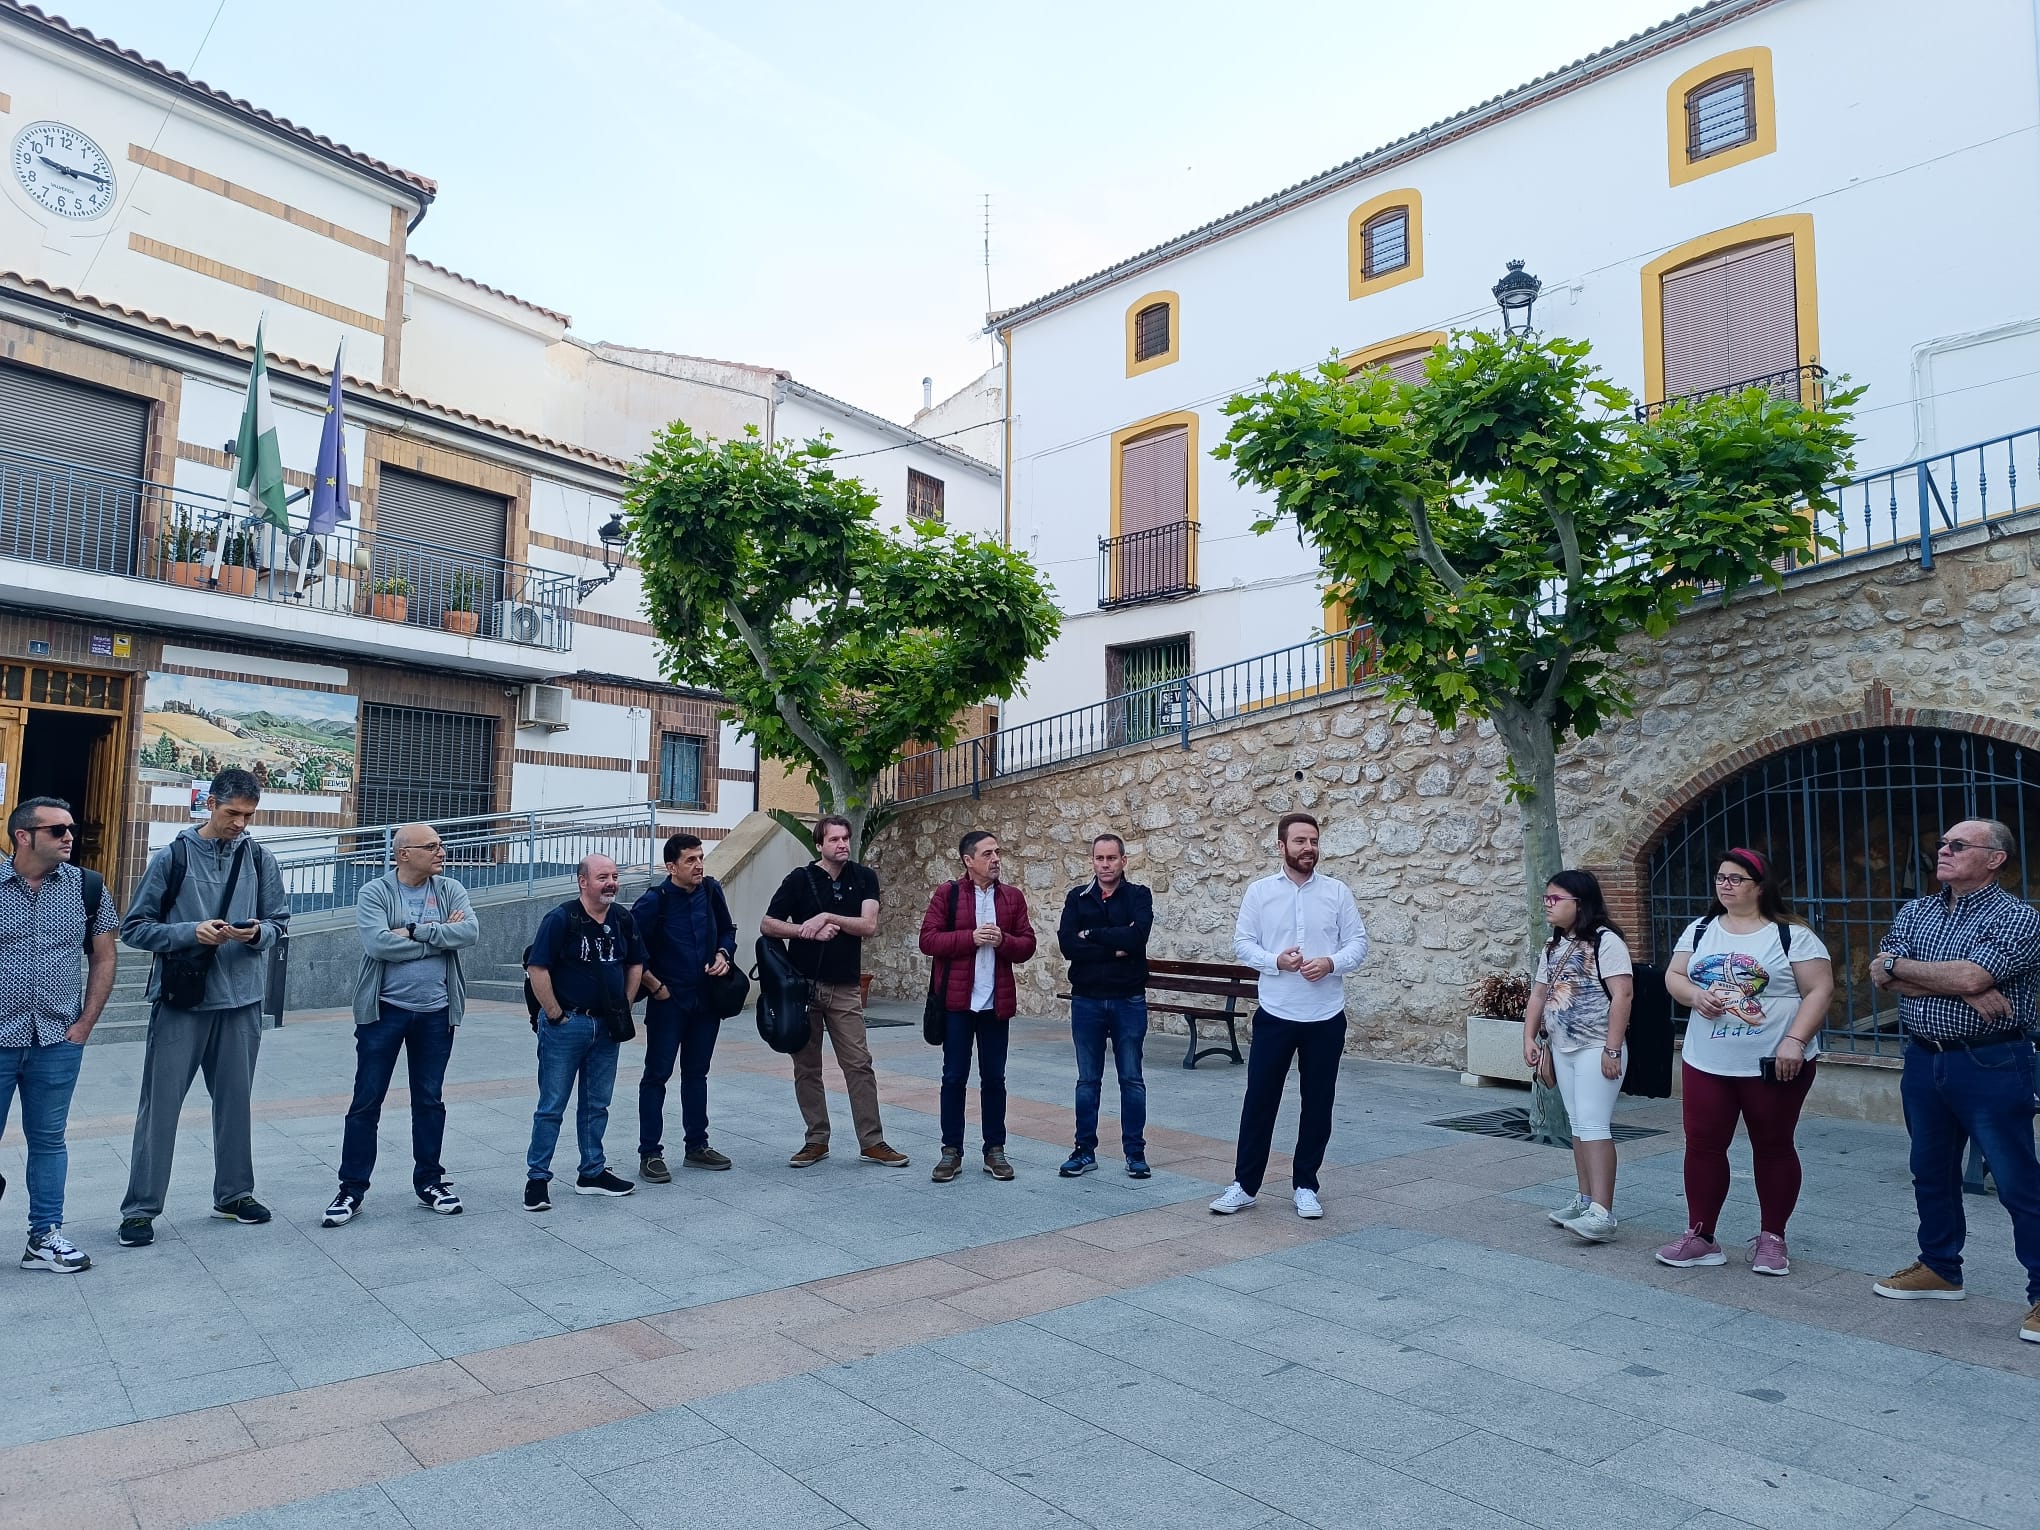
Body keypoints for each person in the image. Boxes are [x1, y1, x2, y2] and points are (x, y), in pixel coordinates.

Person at [1867, 818, 2040, 1343]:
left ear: (1994, 859)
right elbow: (1881, 973)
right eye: (1940, 842)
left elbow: (1973, 975)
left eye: (1958, 845)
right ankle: (1939, 1266)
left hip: (1991, 1061)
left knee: (2016, 1181)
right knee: (1930, 1170)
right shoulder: (1917, 910)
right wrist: (1956, 984)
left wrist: (1918, 971)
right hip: (1924, 1061)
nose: (1942, 850)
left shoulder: (2019, 917)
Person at [117, 768, 288, 1247]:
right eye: (233, 813)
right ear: (210, 804)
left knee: (236, 1104)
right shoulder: (172, 857)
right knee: (161, 1108)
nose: (240, 823)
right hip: (183, 1001)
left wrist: (257, 934)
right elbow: (134, 928)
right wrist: (188, 932)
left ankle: (234, 1195)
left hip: (242, 1001)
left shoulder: (259, 858)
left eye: (249, 815)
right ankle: (140, 1210)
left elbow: (279, 923)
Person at [1656, 848, 1833, 1275]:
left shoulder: (1791, 934)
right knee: (1702, 1146)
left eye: (1736, 878)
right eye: (1720, 878)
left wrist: (1795, 1040)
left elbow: (1820, 990)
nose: (1725, 885)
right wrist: (1694, 995)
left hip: (1774, 1063)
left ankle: (1773, 1237)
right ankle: (1701, 1235)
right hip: (1707, 1060)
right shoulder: (1700, 930)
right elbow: (1673, 976)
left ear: (1760, 886)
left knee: (1772, 1147)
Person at [1211, 813, 1368, 1219]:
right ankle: (1244, 1186)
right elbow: (1243, 944)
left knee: (1317, 1103)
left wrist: (1331, 963)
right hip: (1276, 1014)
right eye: (1299, 841)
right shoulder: (1260, 893)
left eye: (1313, 841)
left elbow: (1358, 943)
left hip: (1325, 1015)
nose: (1308, 848)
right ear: (1281, 846)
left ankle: (1305, 1185)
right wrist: (1275, 960)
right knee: (1260, 1101)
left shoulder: (1337, 892)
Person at [322, 824, 480, 1228]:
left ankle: (430, 1182)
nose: (441, 851)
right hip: (385, 1013)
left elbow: (470, 932)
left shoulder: (449, 889)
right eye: (431, 846)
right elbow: (377, 944)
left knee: (429, 1100)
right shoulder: (375, 892)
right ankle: (351, 1189)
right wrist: (440, 936)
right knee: (366, 1100)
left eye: (441, 845)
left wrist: (414, 930)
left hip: (436, 1012)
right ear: (404, 853)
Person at [0, 797, 117, 1272]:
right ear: (23, 836)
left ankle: (45, 1236)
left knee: (49, 1139)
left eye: (71, 828)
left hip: (56, 1040)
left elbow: (105, 956)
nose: (71, 836)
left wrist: (84, 1025)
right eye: (57, 830)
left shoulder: (87, 887)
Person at [761, 815, 910, 1169]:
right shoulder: (799, 879)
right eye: (834, 840)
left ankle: (872, 1142)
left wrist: (828, 917)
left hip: (845, 989)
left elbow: (868, 925)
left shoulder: (864, 877)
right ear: (820, 844)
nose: (842, 844)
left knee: (859, 1064)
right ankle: (816, 1140)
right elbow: (768, 924)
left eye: (845, 838)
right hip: (804, 989)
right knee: (806, 1067)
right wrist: (804, 931)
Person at [522, 854, 645, 1209]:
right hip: (567, 1026)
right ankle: (537, 1179)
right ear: (582, 882)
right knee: (551, 1105)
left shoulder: (623, 918)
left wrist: (624, 1003)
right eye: (603, 877)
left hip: (607, 1027)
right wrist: (555, 1014)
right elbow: (537, 967)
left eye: (615, 876)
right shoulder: (560, 918)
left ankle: (591, 1171)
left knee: (597, 1104)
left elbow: (636, 962)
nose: (611, 883)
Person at [1522, 869, 1633, 1244]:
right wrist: (1529, 1037)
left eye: (1556, 899)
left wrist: (1612, 1048)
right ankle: (1585, 1199)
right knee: (1578, 1125)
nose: (1548, 906)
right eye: (1546, 899)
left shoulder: (1606, 942)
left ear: (1579, 903)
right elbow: (1539, 994)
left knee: (1595, 1124)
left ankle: (1603, 1211)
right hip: (1563, 1047)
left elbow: (1623, 995)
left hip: (1596, 1046)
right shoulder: (1552, 946)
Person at [919, 829, 1037, 1183]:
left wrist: (1004, 941)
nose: (996, 859)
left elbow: (1028, 945)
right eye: (987, 854)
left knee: (994, 1079)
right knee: (953, 1077)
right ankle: (950, 1150)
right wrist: (969, 938)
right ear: (968, 861)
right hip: (956, 1004)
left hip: (994, 1006)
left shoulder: (1012, 898)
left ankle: (994, 1150)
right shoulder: (948, 894)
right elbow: (928, 940)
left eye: (997, 852)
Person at [630, 833, 738, 1179]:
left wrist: (724, 954)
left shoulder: (711, 890)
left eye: (701, 858)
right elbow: (632, 951)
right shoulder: (654, 901)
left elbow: (727, 930)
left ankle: (697, 1146)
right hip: (668, 1003)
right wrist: (655, 987)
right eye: (691, 860)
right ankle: (650, 1153)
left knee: (697, 1074)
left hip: (706, 1000)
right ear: (671, 866)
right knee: (656, 1076)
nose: (699, 865)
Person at [1056, 832, 1154, 1179]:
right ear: (1092, 861)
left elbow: (1137, 936)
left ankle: (1135, 1153)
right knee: (1088, 1080)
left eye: (1112, 858)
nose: (1105, 864)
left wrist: (1092, 934)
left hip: (1129, 999)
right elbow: (1068, 945)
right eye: (1100, 858)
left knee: (1132, 1079)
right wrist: (1114, 942)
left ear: (1123, 860)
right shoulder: (1077, 898)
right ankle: (1084, 1151)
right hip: (1087, 1001)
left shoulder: (1139, 896)